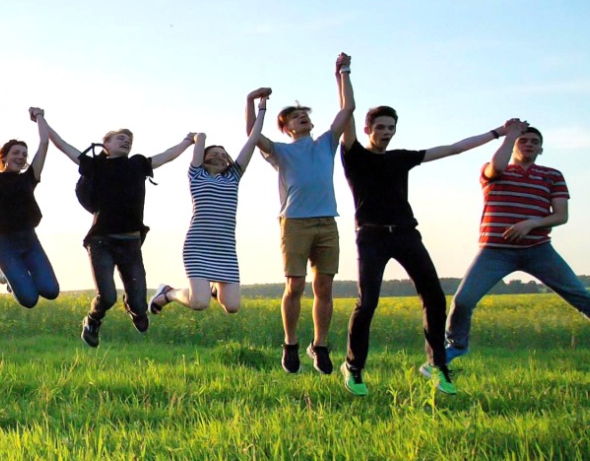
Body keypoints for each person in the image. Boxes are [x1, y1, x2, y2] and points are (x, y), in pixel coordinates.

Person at [443, 122, 590, 373]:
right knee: (463, 301)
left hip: (538, 250)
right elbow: (499, 166)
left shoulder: (552, 175)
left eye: (534, 142)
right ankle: (456, 345)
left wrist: (533, 222)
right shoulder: (495, 170)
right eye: (523, 141)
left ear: (541, 149)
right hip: (494, 251)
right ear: (514, 145)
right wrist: (510, 134)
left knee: (585, 301)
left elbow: (561, 215)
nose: (528, 145)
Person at [332, 106, 520, 396]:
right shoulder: (354, 155)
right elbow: (348, 110)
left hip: (406, 234)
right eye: (380, 127)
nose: (386, 133)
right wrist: (343, 72)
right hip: (371, 236)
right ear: (368, 129)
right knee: (367, 303)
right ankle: (354, 368)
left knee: (433, 297)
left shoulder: (400, 158)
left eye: (390, 128)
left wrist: (497, 133)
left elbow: (454, 149)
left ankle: (436, 365)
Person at [243, 52, 356, 374]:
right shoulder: (280, 151)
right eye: (295, 117)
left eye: (305, 115)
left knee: (325, 288)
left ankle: (319, 346)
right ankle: (290, 344)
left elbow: (347, 110)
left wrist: (343, 72)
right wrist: (252, 100)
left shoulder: (326, 143)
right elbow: (252, 133)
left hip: (326, 222)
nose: (302, 119)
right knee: (295, 286)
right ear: (285, 127)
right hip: (294, 223)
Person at [39, 116, 193, 348]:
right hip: (101, 242)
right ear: (106, 145)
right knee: (107, 296)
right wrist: (42, 120)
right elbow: (63, 146)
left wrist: (187, 141)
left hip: (130, 242)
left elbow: (166, 156)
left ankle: (136, 310)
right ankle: (93, 320)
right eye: (120, 138)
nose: (126, 141)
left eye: (129, 140)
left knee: (139, 301)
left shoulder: (137, 164)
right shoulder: (95, 165)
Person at [149, 121, 261, 316]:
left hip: (225, 249)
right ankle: (168, 293)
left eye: (223, 154)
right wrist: (197, 137)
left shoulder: (233, 177)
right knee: (200, 302)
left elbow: (252, 141)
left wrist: (261, 109)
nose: (220, 157)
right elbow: (200, 138)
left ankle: (215, 289)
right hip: (198, 245)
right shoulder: (197, 174)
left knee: (232, 306)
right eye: (214, 153)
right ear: (204, 157)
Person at [0, 107, 59, 309]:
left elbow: (45, 143)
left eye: (24, 154)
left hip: (29, 239)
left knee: (50, 291)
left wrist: (39, 117)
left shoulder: (29, 177)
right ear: (3, 157)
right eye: (16, 153)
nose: (21, 156)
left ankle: (9, 273)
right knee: (30, 300)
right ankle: (8, 275)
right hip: (4, 243)